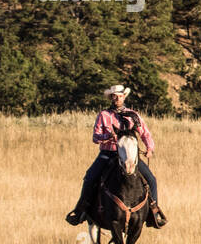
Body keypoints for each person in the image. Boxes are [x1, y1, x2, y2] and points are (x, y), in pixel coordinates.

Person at [65, 84, 167, 229]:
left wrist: (150, 148)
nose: (117, 99)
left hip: (130, 156)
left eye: (120, 96)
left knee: (151, 179)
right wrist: (108, 136)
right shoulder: (104, 115)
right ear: (111, 98)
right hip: (108, 153)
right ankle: (81, 210)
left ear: (124, 97)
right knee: (89, 177)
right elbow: (95, 137)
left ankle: (154, 212)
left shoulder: (133, 115)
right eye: (114, 96)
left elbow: (145, 133)